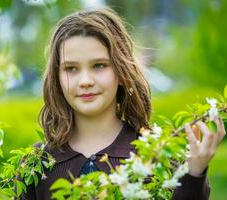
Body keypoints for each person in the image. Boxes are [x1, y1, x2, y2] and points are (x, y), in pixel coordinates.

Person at [17, 7, 226, 200]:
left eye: (99, 65)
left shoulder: (158, 155)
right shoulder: (36, 164)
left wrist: (194, 174)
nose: (85, 81)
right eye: (71, 68)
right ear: (57, 77)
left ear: (121, 71)